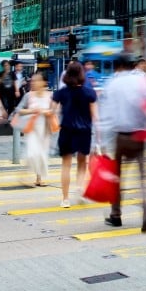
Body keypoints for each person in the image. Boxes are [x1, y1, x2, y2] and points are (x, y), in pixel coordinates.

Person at [98, 54, 146, 230]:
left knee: (116, 177)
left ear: (118, 66)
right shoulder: (142, 82)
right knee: (143, 177)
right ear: (132, 66)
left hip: (119, 137)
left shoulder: (112, 84)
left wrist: (101, 143)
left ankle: (116, 215)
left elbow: (106, 116)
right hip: (139, 135)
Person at [52, 61, 97, 207]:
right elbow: (95, 116)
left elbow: (51, 111)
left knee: (66, 164)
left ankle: (65, 199)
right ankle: (79, 188)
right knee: (82, 162)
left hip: (66, 130)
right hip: (84, 131)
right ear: (81, 74)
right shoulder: (90, 92)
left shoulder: (60, 93)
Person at [15, 72, 56, 187]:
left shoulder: (51, 95)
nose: (33, 83)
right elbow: (19, 110)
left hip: (45, 129)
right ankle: (25, 173)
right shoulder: (28, 95)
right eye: (32, 81)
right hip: (32, 128)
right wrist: (32, 111)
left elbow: (55, 111)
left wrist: (47, 112)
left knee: (42, 154)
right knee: (32, 153)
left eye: (36, 80)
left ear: (44, 82)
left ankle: (39, 178)